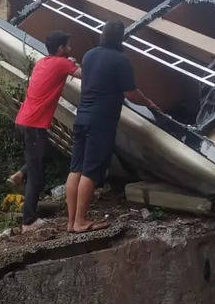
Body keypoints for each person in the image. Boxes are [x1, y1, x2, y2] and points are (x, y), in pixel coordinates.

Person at [65, 21, 160, 232]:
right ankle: (81, 220)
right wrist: (149, 103)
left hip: (82, 117)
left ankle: (71, 222)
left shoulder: (89, 55)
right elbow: (130, 93)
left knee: (76, 169)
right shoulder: (120, 60)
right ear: (120, 38)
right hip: (101, 120)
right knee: (91, 170)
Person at [8, 31, 80, 229]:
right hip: (34, 125)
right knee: (37, 175)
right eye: (68, 46)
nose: (70, 49)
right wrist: (76, 63)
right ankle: (28, 222)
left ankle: (20, 174)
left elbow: (62, 69)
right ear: (60, 48)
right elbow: (84, 74)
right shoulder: (62, 63)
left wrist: (69, 62)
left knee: (45, 153)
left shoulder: (43, 62)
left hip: (24, 120)